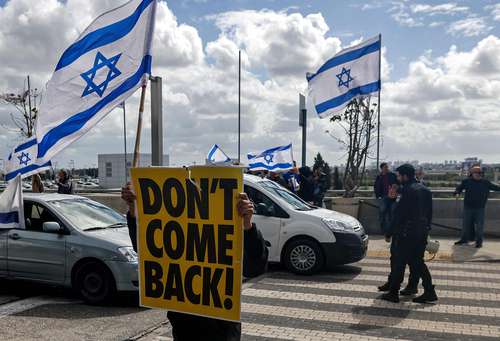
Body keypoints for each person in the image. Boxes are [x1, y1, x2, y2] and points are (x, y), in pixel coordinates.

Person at [121, 183, 268, 341]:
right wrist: (133, 207)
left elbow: (255, 268)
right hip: (184, 328)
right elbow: (146, 250)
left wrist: (247, 224)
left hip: (222, 332)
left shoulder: (229, 234)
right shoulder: (175, 233)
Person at [380, 164, 437, 304]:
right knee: (418, 262)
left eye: (399, 175)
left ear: (405, 176)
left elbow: (399, 215)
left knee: (399, 262)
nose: (398, 178)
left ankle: (393, 293)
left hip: (406, 233)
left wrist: (389, 232)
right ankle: (429, 291)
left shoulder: (407, 191)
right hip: (421, 232)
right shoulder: (425, 190)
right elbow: (429, 213)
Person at [454, 166, 500, 248]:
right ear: (472, 174)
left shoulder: (486, 182)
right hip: (468, 207)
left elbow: (496, 188)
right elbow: (459, 188)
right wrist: (457, 193)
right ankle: (464, 240)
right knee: (465, 225)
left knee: (479, 226)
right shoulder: (466, 181)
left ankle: (479, 242)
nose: (478, 174)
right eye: (476, 173)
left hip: (480, 208)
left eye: (479, 173)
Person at [374, 163, 397, 234]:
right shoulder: (379, 176)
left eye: (387, 167)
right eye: (385, 167)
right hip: (383, 196)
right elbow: (376, 186)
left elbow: (398, 183)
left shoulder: (392, 175)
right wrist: (377, 195)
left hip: (393, 197)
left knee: (392, 213)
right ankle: (383, 230)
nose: (387, 168)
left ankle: (391, 230)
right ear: (382, 168)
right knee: (382, 213)